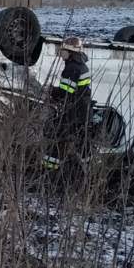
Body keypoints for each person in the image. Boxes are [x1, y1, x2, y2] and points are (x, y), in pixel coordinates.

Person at [44, 35, 92, 173]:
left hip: (74, 112)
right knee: (83, 143)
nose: (61, 53)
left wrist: (51, 91)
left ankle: (48, 173)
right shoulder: (81, 65)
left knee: (56, 137)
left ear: (70, 52)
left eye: (63, 50)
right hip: (83, 110)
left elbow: (66, 93)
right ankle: (87, 174)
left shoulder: (71, 68)